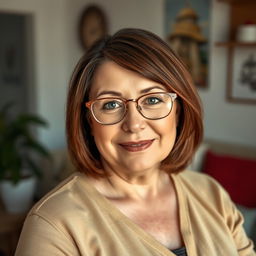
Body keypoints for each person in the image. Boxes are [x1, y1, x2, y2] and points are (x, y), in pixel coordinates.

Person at [15, 28, 255, 256]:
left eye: (152, 100)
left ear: (178, 110)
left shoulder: (211, 194)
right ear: (88, 120)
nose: (134, 123)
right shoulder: (54, 224)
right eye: (111, 104)